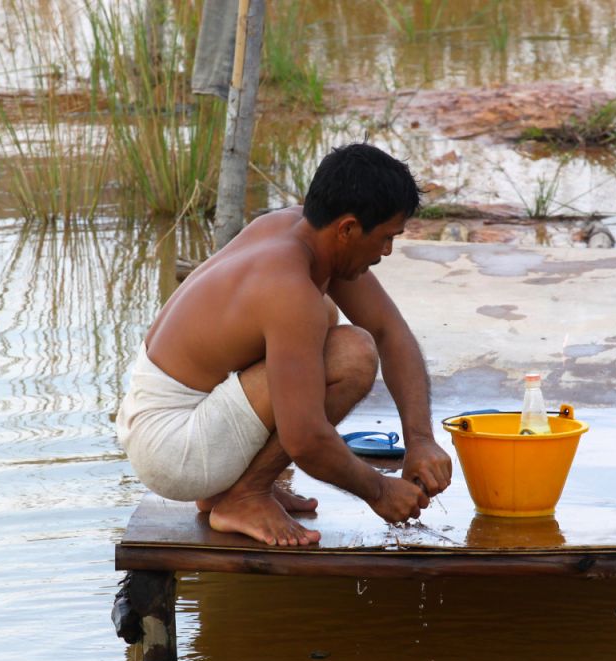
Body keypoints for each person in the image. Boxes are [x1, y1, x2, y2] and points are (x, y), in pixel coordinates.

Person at [117, 143, 453, 546]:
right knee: (352, 354)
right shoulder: (289, 289)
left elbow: (390, 331)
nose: (386, 252)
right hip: (173, 448)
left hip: (163, 421)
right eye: (384, 238)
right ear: (347, 229)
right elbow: (306, 439)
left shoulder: (298, 230)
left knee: (332, 325)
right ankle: (245, 496)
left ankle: (233, 488)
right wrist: (379, 490)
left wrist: (419, 438)